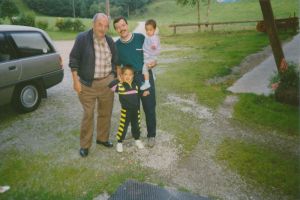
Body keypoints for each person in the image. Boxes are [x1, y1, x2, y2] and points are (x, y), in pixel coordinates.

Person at [69, 13, 118, 157]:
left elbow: (115, 60)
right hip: (87, 85)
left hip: (106, 84)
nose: (102, 29)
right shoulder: (82, 38)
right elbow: (73, 59)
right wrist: (75, 80)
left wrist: (113, 77)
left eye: (106, 26)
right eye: (100, 25)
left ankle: (102, 138)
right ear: (93, 25)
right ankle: (85, 145)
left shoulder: (110, 41)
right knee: (88, 114)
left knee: (105, 113)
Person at [113, 16, 157, 147]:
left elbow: (152, 54)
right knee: (132, 108)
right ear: (116, 30)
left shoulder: (140, 38)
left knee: (149, 107)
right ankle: (134, 132)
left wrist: (154, 62)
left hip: (144, 77)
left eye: (123, 25)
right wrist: (119, 78)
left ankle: (151, 135)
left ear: (127, 25)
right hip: (129, 81)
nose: (121, 28)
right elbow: (118, 65)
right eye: (118, 27)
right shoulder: (117, 46)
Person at [108, 65, 145, 152]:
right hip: (126, 111)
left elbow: (142, 89)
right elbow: (110, 86)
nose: (128, 77)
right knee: (123, 126)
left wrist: (145, 91)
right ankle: (120, 142)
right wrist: (118, 80)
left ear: (133, 76)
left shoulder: (135, 85)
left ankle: (137, 139)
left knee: (136, 125)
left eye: (130, 74)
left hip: (136, 111)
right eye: (125, 74)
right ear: (122, 75)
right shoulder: (120, 86)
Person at [140, 19, 161, 90]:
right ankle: (153, 75)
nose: (148, 32)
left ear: (154, 29)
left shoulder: (153, 37)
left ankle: (147, 83)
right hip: (150, 56)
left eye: (150, 30)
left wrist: (154, 46)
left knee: (145, 68)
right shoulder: (149, 37)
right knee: (151, 66)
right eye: (147, 30)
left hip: (150, 56)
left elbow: (155, 43)